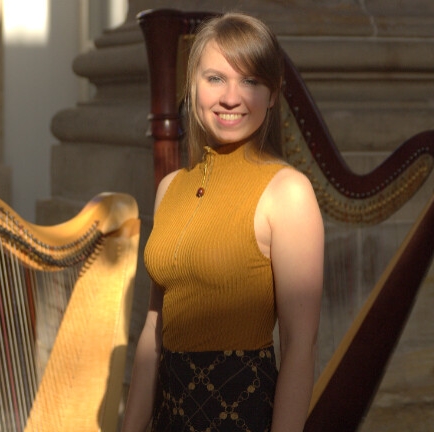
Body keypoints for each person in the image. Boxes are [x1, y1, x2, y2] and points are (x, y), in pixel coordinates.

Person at [121, 11, 324, 432]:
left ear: (272, 94)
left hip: (239, 418)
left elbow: (300, 348)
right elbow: (153, 332)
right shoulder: (170, 188)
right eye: (215, 78)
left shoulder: (287, 192)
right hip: (167, 418)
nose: (231, 97)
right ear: (191, 86)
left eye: (250, 81)